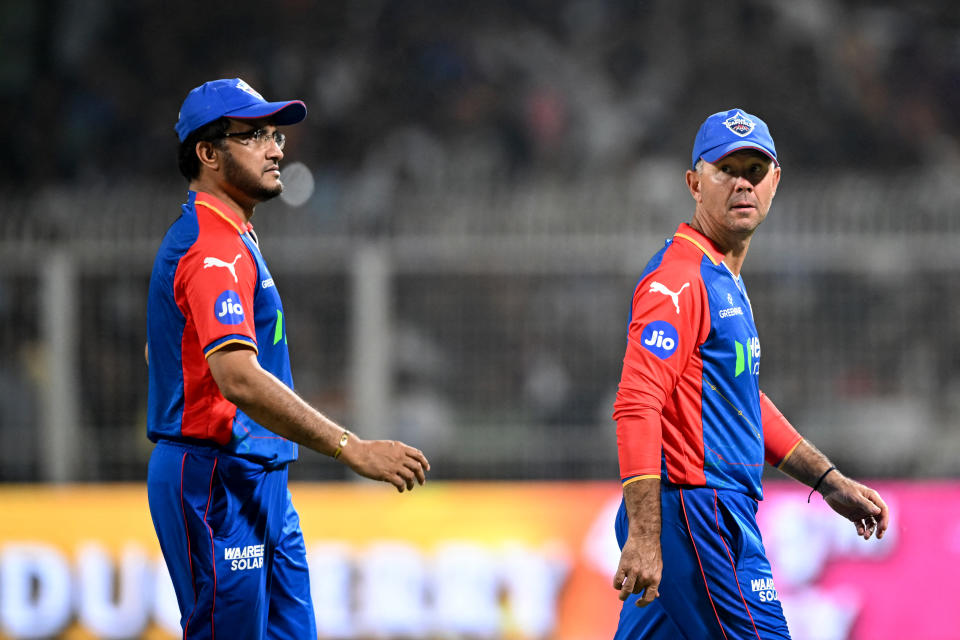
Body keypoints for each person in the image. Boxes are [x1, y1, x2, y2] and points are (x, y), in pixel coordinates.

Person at [145, 78, 430, 639]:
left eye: (274, 133)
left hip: (258, 476)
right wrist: (352, 447)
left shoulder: (233, 236)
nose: (276, 148)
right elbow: (239, 379)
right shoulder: (211, 248)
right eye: (253, 135)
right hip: (214, 480)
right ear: (207, 153)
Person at [610, 108, 890, 639]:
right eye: (726, 169)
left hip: (697, 513)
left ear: (775, 182)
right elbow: (636, 403)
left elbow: (741, 400)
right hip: (696, 510)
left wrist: (826, 481)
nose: (743, 183)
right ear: (695, 183)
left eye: (756, 171)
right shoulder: (680, 280)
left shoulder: (721, 276)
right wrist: (647, 534)